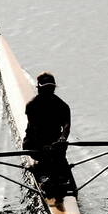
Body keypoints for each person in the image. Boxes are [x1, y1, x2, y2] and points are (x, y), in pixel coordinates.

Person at [23, 72, 72, 203]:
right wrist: (43, 146)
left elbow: (67, 126)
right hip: (34, 143)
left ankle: (56, 179)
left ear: (54, 88)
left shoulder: (62, 106)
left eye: (51, 88)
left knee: (58, 151)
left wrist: (62, 138)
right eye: (45, 88)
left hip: (55, 144)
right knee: (50, 156)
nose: (48, 90)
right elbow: (34, 129)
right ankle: (49, 176)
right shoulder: (32, 106)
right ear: (38, 88)